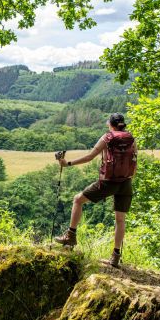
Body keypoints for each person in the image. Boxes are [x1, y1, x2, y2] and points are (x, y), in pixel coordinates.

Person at [54, 113, 137, 267]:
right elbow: (135, 161)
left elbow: (89, 157)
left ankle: (70, 236)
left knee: (78, 200)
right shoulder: (131, 138)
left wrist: (67, 163)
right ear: (123, 124)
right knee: (120, 219)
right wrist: (128, 178)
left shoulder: (107, 138)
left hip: (108, 182)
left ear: (110, 124)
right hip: (126, 182)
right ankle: (115, 257)